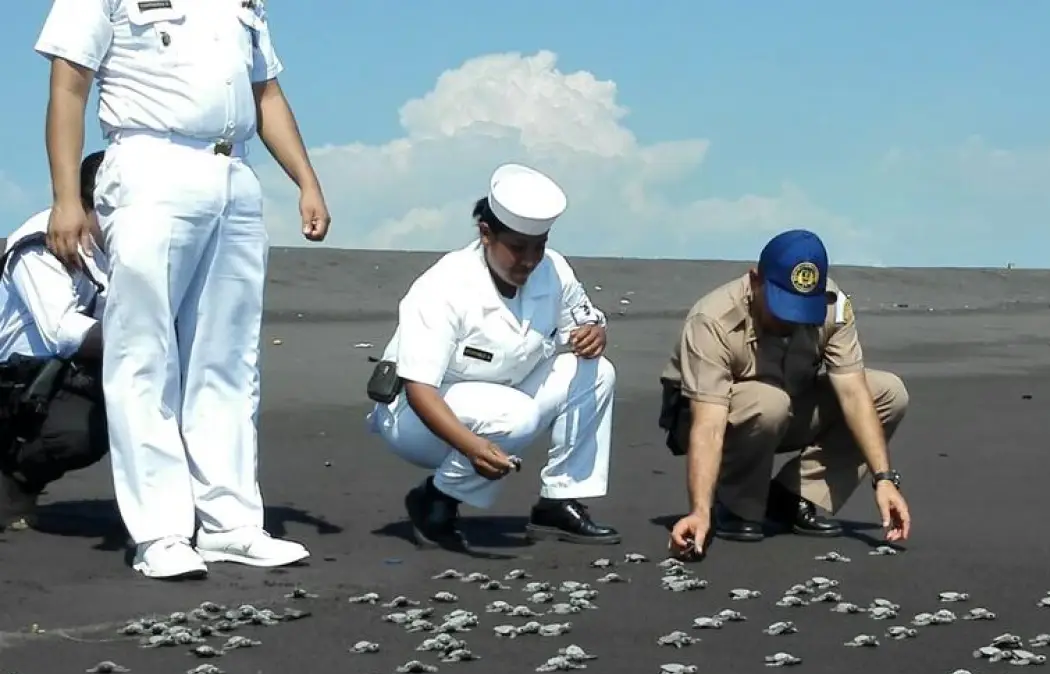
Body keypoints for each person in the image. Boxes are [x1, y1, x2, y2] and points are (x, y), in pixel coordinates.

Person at [34, 0, 330, 579]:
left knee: (228, 359)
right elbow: (69, 84)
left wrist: (306, 179)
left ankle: (231, 524)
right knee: (143, 354)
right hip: (150, 160)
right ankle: (161, 532)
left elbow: (265, 91)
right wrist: (67, 197)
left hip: (233, 173)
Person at [367, 163, 619, 550]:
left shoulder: (553, 269)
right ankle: (435, 500)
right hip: (415, 418)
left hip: (505, 398)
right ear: (486, 234)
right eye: (517, 248)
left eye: (539, 246)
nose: (530, 260)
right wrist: (472, 448)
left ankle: (559, 500)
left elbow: (585, 320)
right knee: (515, 415)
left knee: (595, 371)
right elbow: (419, 390)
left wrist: (594, 334)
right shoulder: (444, 286)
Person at [659, 229, 912, 559]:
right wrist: (699, 511)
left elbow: (853, 393)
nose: (790, 319)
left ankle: (792, 496)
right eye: (782, 306)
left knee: (889, 393)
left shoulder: (833, 306)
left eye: (801, 309)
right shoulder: (712, 319)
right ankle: (735, 505)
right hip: (706, 418)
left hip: (786, 405)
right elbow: (707, 424)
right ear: (755, 280)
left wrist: (884, 479)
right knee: (768, 403)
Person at [0, 150, 111, 531]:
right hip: (19, 383)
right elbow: (62, 332)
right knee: (81, 432)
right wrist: (143, 336)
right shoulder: (40, 243)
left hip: (69, 375)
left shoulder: (118, 247)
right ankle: (13, 481)